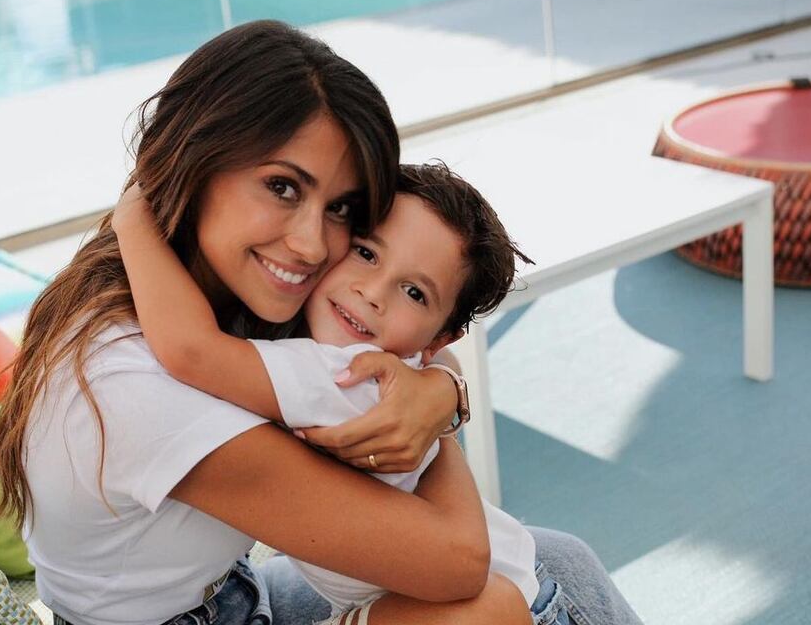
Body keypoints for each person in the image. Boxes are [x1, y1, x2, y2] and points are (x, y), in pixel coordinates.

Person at [0, 20, 643, 625]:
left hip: (227, 591)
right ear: (193, 158)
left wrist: (441, 394)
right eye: (282, 186)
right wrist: (431, 420)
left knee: (560, 558)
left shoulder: (177, 281)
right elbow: (459, 563)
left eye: (342, 209)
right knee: (504, 606)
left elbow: (419, 351)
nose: (310, 245)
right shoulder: (141, 384)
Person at [113, 161, 544, 624]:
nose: (372, 292)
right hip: (492, 581)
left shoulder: (343, 374)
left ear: (439, 337)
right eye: (366, 253)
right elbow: (442, 368)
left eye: (414, 293)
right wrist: (446, 387)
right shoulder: (379, 360)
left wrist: (133, 219)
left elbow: (191, 351)